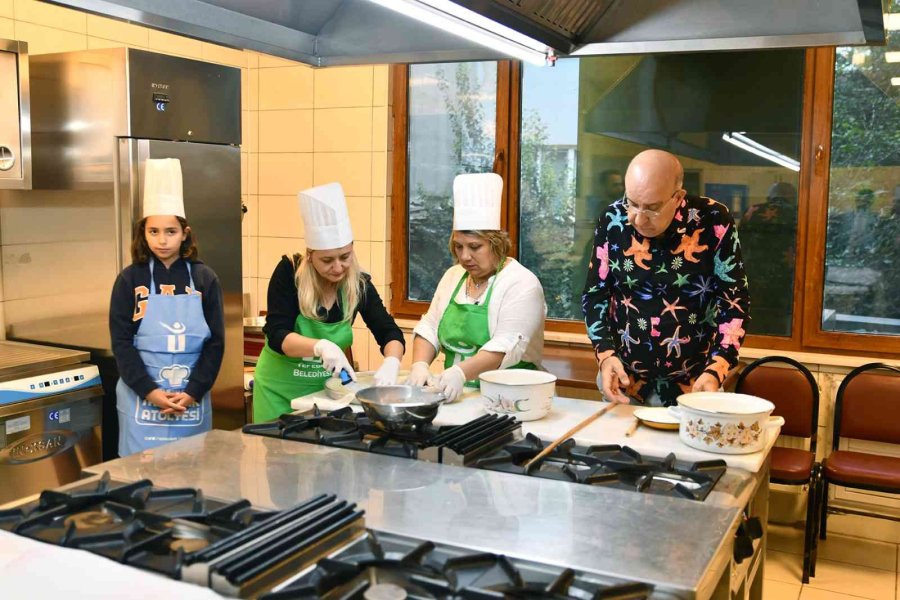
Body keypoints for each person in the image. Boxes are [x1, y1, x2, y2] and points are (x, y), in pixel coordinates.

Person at [582, 149, 750, 406]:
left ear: (678, 197)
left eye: (652, 208)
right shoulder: (612, 219)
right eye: (632, 203)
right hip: (624, 379)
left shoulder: (713, 220)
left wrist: (718, 365)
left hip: (695, 384)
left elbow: (733, 299)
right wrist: (605, 356)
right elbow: (596, 295)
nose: (638, 218)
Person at [252, 182, 404, 422]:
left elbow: (388, 330)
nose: (338, 268)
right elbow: (277, 334)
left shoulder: (358, 284)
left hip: (326, 396)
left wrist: (393, 360)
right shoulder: (289, 273)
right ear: (311, 256)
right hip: (278, 393)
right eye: (327, 260)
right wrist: (319, 346)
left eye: (345, 257)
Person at [110, 158, 224, 456]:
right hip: (141, 402)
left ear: (185, 232)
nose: (162, 240)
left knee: (192, 476)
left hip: (191, 402)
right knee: (140, 481)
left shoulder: (204, 278)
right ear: (143, 233)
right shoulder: (128, 279)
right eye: (154, 231)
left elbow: (216, 344)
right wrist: (151, 392)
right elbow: (121, 344)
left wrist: (192, 392)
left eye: (170, 232)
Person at [407, 173, 546, 402]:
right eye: (458, 246)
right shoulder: (453, 276)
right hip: (456, 395)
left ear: (496, 244)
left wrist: (459, 373)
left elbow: (504, 346)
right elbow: (430, 327)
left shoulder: (521, 283)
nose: (464, 256)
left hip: (512, 399)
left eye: (474, 247)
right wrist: (420, 365)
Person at [738, 182, 798, 336]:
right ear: (794, 198)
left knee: (752, 329)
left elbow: (737, 244)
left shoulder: (752, 211)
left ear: (769, 197)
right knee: (780, 331)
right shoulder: (799, 214)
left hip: (751, 282)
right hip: (783, 287)